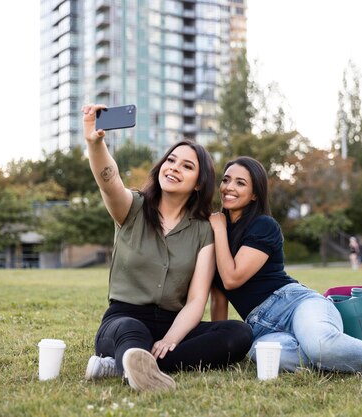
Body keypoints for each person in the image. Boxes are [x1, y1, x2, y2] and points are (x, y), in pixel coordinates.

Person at [208, 156, 362, 378]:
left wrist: (218, 229)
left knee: (320, 346)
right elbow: (220, 296)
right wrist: (219, 346)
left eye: (240, 182)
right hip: (263, 328)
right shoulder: (215, 238)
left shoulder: (263, 225)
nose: (229, 187)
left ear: (255, 194)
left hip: (296, 304)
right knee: (261, 353)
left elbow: (232, 278)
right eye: (226, 179)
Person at [81, 104, 253, 392]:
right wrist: (94, 143)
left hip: (175, 324)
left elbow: (197, 300)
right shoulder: (131, 208)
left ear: (199, 184)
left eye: (187, 166)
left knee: (238, 333)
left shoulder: (202, 230)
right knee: (130, 332)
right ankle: (134, 360)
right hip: (125, 318)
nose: (174, 168)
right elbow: (108, 180)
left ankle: (130, 366)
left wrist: (171, 339)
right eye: (171, 161)